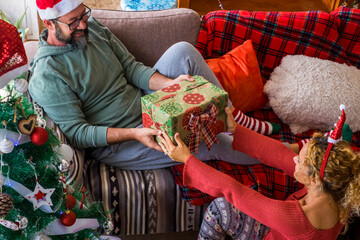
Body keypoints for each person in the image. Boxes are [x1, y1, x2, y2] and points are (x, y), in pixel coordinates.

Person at [30, 0, 283, 170]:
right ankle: (288, 155)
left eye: (83, 14)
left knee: (183, 51)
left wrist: (171, 84)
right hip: (123, 140)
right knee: (209, 140)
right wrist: (136, 134)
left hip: (146, 101)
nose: (83, 25)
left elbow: (131, 68)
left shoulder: (92, 27)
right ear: (49, 23)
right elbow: (77, 133)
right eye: (73, 22)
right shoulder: (48, 74)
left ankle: (235, 117)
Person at [158, 106, 360, 239]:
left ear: (315, 179)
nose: (294, 159)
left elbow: (234, 191)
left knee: (221, 208)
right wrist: (236, 129)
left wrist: (187, 160)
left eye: (299, 160)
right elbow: (279, 154)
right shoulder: (337, 187)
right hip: (281, 232)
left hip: (273, 234)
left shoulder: (297, 219)